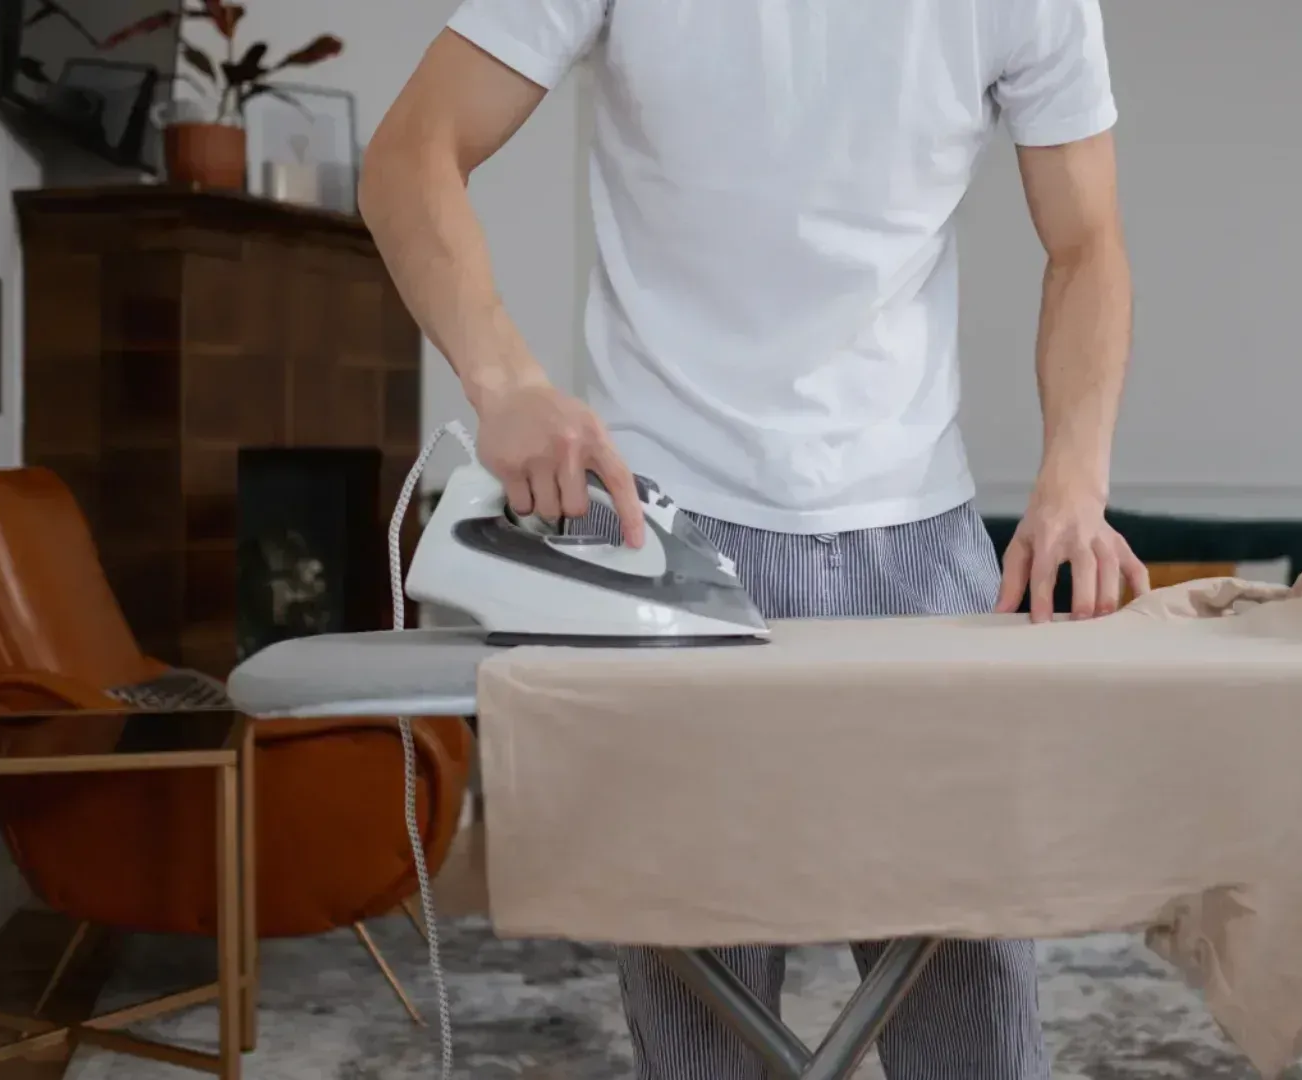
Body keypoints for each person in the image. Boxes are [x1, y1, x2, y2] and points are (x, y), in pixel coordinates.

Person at [360, 0, 1143, 1075]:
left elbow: (1086, 241)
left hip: (915, 543)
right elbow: (411, 152)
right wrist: (503, 381)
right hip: (666, 540)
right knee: (705, 1008)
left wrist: (1074, 479)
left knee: (968, 999)